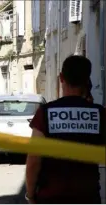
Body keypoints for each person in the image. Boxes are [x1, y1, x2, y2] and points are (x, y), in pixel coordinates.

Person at [25, 55, 105, 204]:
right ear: (87, 80)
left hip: (51, 197)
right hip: (88, 197)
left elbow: (33, 160)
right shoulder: (99, 114)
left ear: (61, 77)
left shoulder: (46, 113)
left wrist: (30, 195)